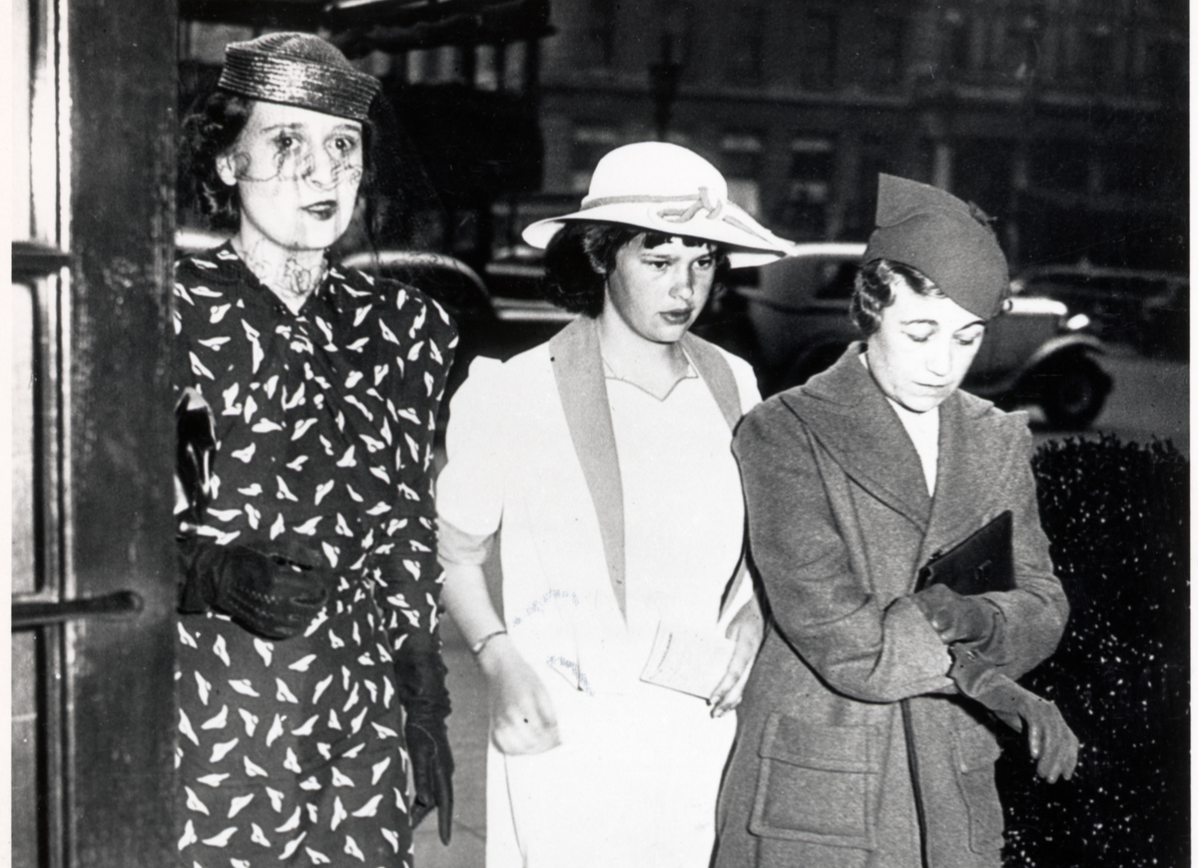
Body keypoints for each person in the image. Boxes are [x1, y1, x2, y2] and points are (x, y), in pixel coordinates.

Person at [434, 142, 794, 867]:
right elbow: (452, 555)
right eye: (658, 262)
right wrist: (499, 662)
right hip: (565, 725)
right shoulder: (517, 390)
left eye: (703, 262)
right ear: (601, 256)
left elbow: (770, 545)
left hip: (696, 727)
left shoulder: (735, 385)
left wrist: (755, 620)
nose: (684, 288)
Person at [714, 174, 1079, 868]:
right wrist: (988, 680)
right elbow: (850, 646)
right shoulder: (785, 433)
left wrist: (985, 622)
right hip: (820, 790)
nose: (944, 365)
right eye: (920, 332)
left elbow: (1044, 600)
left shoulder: (997, 436)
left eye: (968, 338)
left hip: (950, 785)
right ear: (868, 310)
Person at [172, 32, 456, 866]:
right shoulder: (169, 314)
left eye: (342, 145)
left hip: (357, 720)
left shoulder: (407, 328)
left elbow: (409, 526)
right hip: (211, 705)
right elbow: (100, 530)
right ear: (228, 162)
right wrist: (211, 573)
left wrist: (423, 696)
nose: (320, 172)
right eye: (284, 141)